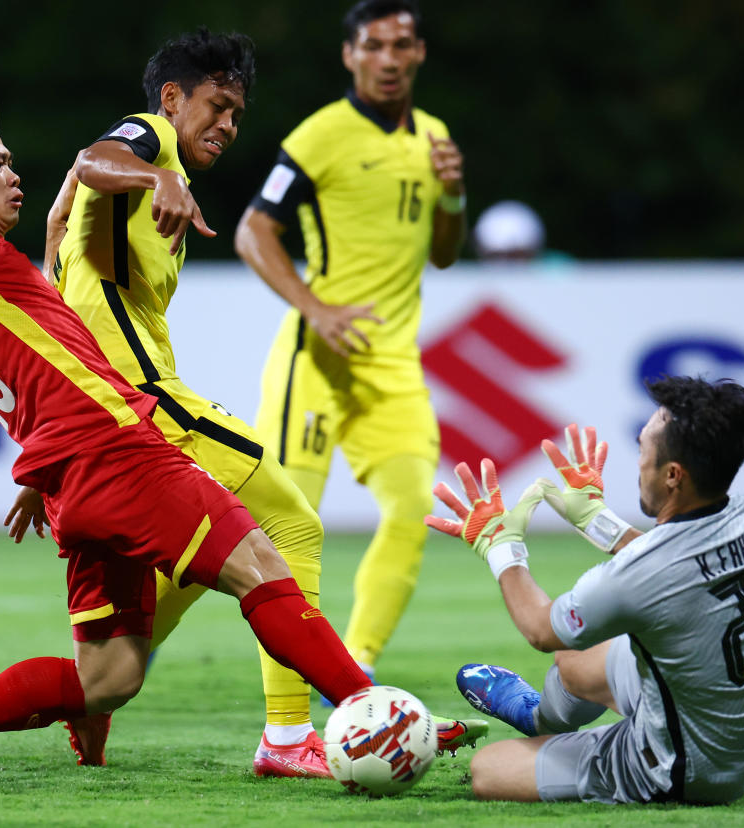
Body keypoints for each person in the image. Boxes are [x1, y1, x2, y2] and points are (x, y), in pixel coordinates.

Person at [0, 88, 374, 783]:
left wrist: (40, 476)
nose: (13, 175)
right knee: (265, 563)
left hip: (68, 483)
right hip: (118, 450)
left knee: (108, 678)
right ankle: (377, 714)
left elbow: (41, 352)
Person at [17, 28, 484, 777]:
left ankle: (91, 699)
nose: (228, 126)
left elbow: (70, 210)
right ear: (173, 99)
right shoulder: (149, 144)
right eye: (217, 105)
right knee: (289, 518)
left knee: (217, 553)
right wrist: (152, 175)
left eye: (236, 113)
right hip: (143, 401)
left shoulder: (127, 187)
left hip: (114, 413)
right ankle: (301, 730)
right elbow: (96, 159)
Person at [235, 0, 465, 690]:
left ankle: (355, 673)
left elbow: (445, 255)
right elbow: (253, 231)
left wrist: (452, 198)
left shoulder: (434, 137)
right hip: (318, 360)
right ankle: (137, 646)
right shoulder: (321, 136)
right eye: (373, 46)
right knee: (281, 530)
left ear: (419, 52)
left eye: (401, 45)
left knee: (412, 511)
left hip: (392, 365)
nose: (388, 59)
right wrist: (317, 307)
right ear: (350, 56)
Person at [426, 377, 744, 804]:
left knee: (486, 770)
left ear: (673, 475)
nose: (637, 464)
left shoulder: (639, 574)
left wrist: (500, 548)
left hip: (687, 769)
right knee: (576, 657)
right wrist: (599, 522)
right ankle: (538, 717)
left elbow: (542, 631)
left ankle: (611, 745)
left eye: (643, 451)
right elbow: (677, 570)